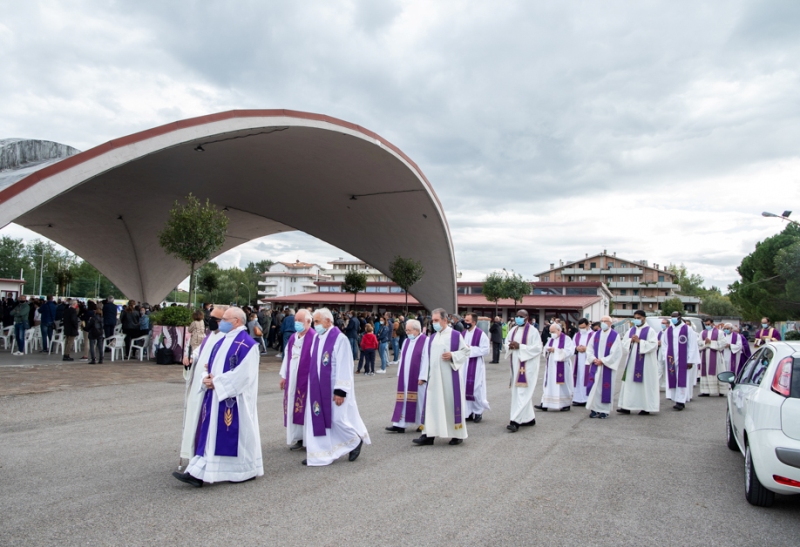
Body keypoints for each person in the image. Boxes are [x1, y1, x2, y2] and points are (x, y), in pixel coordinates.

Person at [174, 307, 263, 486]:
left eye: (224, 319)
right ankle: (199, 471)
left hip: (235, 400)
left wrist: (218, 383)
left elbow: (245, 376)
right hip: (214, 397)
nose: (220, 322)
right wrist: (205, 379)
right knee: (210, 433)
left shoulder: (247, 345)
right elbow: (209, 367)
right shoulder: (221, 341)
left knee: (235, 436)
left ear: (236, 321)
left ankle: (244, 471)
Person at [301, 308, 370, 466]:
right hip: (318, 389)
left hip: (334, 388)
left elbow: (345, 365)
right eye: (314, 322)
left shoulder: (340, 339)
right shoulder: (318, 338)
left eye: (317, 322)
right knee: (318, 419)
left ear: (328, 321)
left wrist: (340, 391)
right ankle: (319, 453)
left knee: (337, 419)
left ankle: (355, 440)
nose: (315, 325)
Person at [413, 308, 471, 446]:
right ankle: (428, 434)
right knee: (432, 405)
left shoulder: (456, 335)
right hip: (434, 378)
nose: (434, 323)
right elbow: (428, 359)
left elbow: (466, 351)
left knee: (450, 404)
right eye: (432, 320)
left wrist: (453, 355)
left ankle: (457, 435)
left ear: (445, 320)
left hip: (450, 378)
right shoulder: (432, 337)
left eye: (436, 320)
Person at [279, 309, 314, 452]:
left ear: (308, 322)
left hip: (306, 379)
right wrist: (284, 376)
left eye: (300, 321)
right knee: (294, 405)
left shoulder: (314, 337)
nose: (297, 323)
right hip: (293, 375)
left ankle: (308, 439)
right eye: (296, 321)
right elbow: (287, 355)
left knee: (305, 408)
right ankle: (298, 438)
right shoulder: (293, 337)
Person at [503, 309, 543, 432]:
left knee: (522, 393)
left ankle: (515, 421)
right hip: (515, 365)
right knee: (518, 393)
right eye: (516, 316)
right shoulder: (513, 330)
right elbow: (506, 342)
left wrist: (520, 346)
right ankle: (529, 418)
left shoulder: (533, 331)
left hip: (528, 367)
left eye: (521, 316)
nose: (518, 318)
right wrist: (509, 346)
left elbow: (537, 348)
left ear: (527, 318)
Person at [386, 319, 428, 433]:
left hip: (418, 377)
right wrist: (400, 373)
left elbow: (427, 360)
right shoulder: (406, 341)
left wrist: (423, 376)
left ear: (417, 330)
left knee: (420, 401)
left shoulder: (426, 341)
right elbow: (403, 358)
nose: (407, 332)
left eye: (409, 330)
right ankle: (400, 424)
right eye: (406, 330)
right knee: (403, 399)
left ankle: (422, 424)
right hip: (405, 376)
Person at [617, 310, 660, 415]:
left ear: (644, 318)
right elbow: (624, 342)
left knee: (645, 384)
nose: (637, 320)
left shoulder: (650, 331)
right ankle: (626, 406)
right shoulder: (631, 330)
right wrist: (630, 341)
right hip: (631, 362)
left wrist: (640, 341)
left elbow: (654, 345)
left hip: (646, 364)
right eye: (635, 318)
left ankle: (645, 407)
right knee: (629, 383)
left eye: (639, 318)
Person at [660, 311, 701, 411]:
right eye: (672, 317)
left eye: (675, 317)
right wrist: (666, 355)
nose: (673, 318)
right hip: (671, 358)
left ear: (679, 317)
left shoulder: (688, 329)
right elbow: (664, 344)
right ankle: (675, 398)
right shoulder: (669, 330)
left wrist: (690, 360)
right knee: (673, 378)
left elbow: (692, 346)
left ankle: (681, 401)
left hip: (684, 358)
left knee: (682, 379)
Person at [584, 316, 623, 419]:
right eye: (601, 321)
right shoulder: (596, 334)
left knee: (605, 387)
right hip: (596, 365)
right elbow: (590, 348)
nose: (603, 323)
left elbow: (616, 352)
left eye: (605, 321)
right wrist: (593, 359)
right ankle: (594, 409)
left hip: (607, 366)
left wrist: (603, 360)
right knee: (595, 387)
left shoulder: (615, 335)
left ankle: (604, 411)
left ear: (610, 323)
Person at [536, 322, 575, 412]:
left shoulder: (567, 339)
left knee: (562, 385)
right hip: (551, 366)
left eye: (553, 331)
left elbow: (569, 351)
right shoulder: (551, 339)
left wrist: (556, 350)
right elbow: (545, 348)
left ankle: (565, 404)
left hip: (562, 365)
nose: (551, 334)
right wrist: (546, 350)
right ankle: (545, 403)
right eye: (550, 332)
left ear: (559, 330)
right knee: (549, 383)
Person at [460, 313, 491, 423]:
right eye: (465, 320)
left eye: (468, 321)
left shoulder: (481, 334)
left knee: (476, 388)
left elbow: (486, 350)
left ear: (474, 322)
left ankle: (478, 411)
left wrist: (470, 349)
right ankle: (467, 412)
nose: (465, 322)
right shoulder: (463, 334)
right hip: (464, 365)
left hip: (475, 364)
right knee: (464, 387)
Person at [699, 317, 726, 397]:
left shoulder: (719, 332)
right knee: (705, 372)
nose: (707, 325)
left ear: (712, 323)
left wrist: (711, 343)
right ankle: (705, 391)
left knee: (718, 371)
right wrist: (705, 342)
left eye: (708, 324)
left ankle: (721, 391)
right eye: (706, 324)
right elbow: (698, 342)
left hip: (716, 354)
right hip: (705, 354)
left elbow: (723, 343)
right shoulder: (702, 332)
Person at [571, 318, 594, 406]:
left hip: (588, 361)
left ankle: (587, 399)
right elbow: (572, 346)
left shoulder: (593, 335)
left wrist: (586, 349)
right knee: (578, 379)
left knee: (587, 378)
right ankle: (578, 399)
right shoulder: (577, 335)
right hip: (578, 360)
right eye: (580, 327)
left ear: (588, 325)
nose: (582, 329)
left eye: (583, 327)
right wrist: (576, 348)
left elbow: (596, 347)